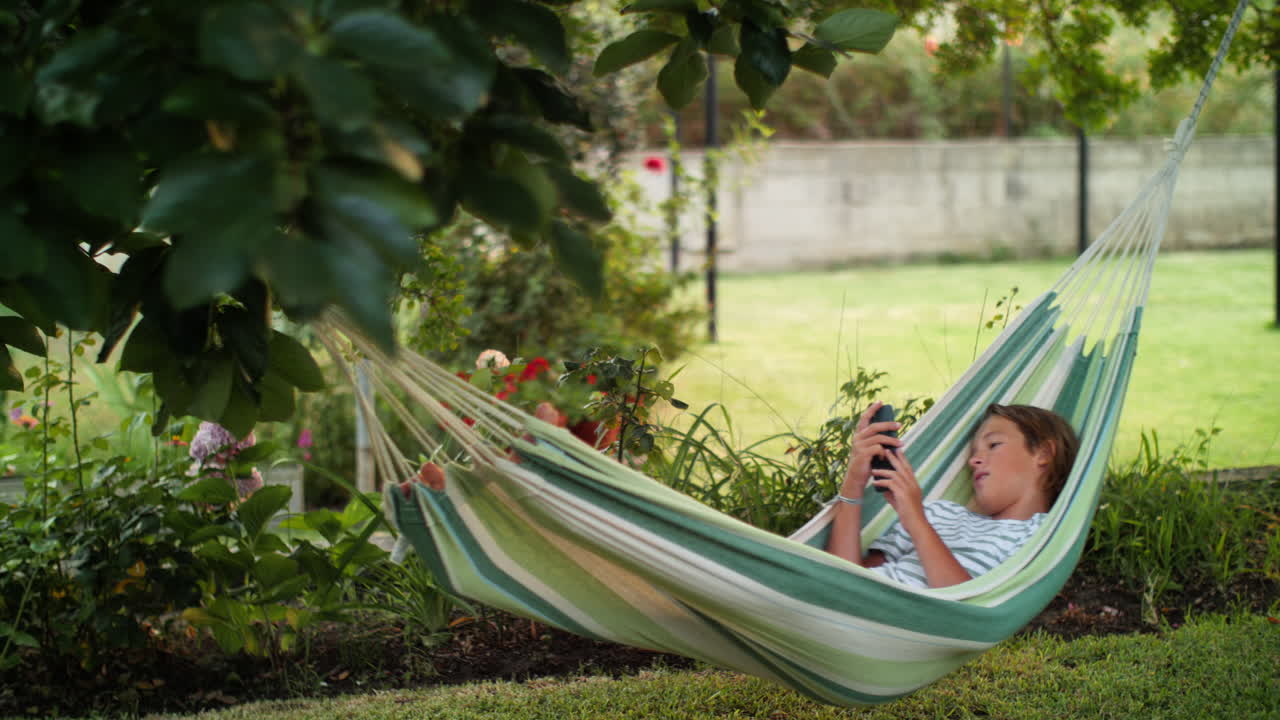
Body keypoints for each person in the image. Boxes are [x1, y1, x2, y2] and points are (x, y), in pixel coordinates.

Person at [825, 401, 1079, 589]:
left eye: (994, 445)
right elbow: (845, 580)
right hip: (848, 607)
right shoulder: (940, 512)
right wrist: (854, 482)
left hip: (893, 622)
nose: (974, 460)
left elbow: (962, 606)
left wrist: (914, 517)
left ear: (1044, 453)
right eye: (973, 453)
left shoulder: (1043, 536)